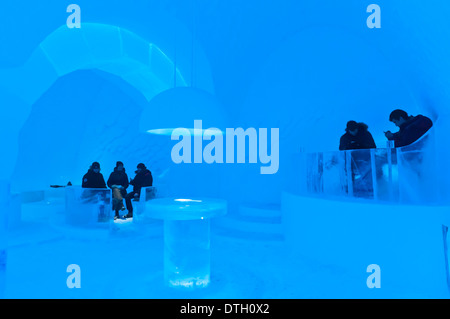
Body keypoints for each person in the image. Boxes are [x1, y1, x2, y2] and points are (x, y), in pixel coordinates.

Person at [339, 121, 376, 197]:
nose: (353, 132)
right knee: (350, 174)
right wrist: (349, 147)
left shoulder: (365, 134)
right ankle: (351, 188)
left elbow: (373, 147)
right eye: (351, 130)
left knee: (368, 174)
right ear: (348, 129)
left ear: (357, 128)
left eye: (355, 129)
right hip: (351, 162)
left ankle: (369, 188)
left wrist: (360, 146)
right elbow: (341, 150)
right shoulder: (344, 138)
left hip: (366, 161)